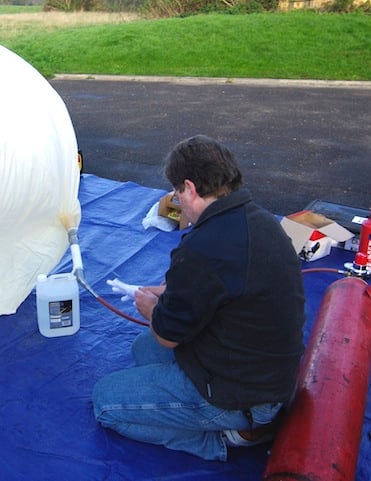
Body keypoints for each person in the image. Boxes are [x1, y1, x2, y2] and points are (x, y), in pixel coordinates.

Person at [92, 135, 305, 461]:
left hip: (242, 396)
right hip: (267, 373)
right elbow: (230, 287)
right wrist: (171, 291)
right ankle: (241, 419)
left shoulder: (203, 247)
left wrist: (151, 307)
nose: (176, 199)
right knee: (140, 348)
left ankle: (228, 437)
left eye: (177, 192)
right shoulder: (259, 219)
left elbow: (166, 336)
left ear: (190, 188)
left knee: (105, 402)